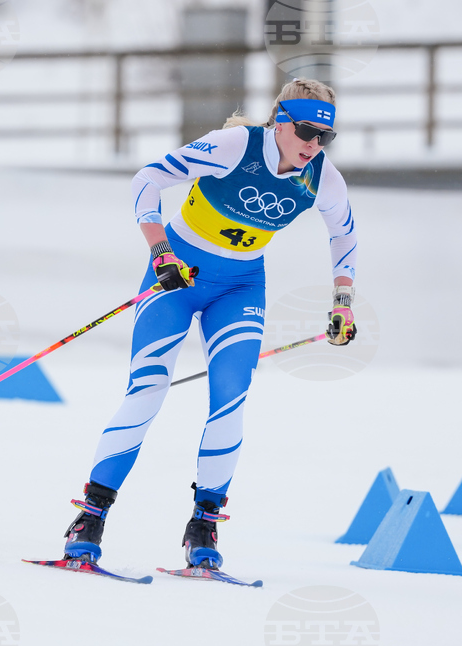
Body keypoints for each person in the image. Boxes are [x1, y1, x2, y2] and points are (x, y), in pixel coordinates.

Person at [62, 78, 358, 570]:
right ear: (280, 121)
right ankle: (90, 518)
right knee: (148, 388)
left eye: (324, 136)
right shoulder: (235, 145)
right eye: (306, 130)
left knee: (230, 397)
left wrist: (343, 300)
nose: (314, 144)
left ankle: (204, 528)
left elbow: (344, 235)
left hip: (240, 288)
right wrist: (160, 249)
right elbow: (147, 179)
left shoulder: (323, 178)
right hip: (177, 275)